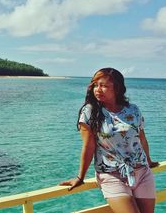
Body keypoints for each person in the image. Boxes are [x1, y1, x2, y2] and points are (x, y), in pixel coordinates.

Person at [59, 68, 159, 213]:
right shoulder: (90, 112)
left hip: (142, 172)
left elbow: (141, 138)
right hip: (112, 175)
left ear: (117, 89)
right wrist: (80, 177)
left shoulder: (133, 110)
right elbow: (88, 146)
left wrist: (148, 161)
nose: (98, 89)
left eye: (104, 86)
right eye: (95, 85)